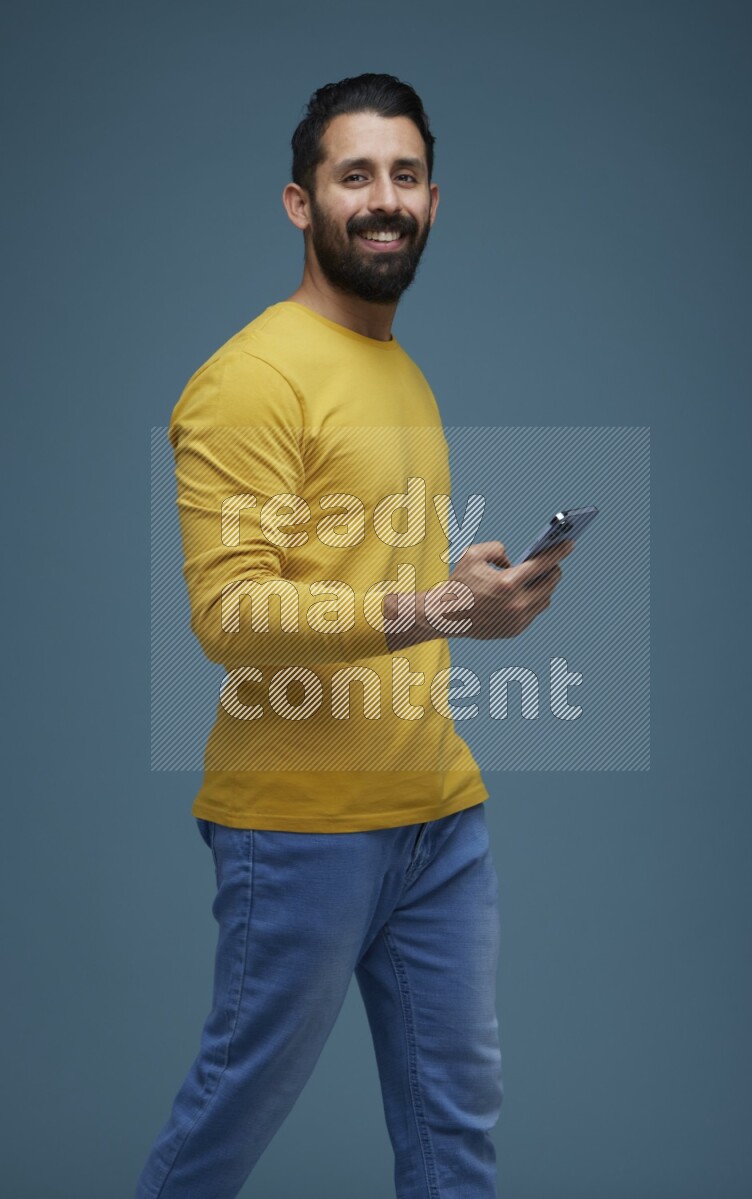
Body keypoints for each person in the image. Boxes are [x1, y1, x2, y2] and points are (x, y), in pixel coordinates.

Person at [136, 72, 573, 1199]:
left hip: (438, 818)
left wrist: (467, 592)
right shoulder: (249, 380)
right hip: (300, 828)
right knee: (228, 1117)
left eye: (405, 175)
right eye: (355, 175)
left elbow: (364, 583)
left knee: (454, 1140)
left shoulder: (400, 371)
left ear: (432, 201)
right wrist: (434, 608)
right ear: (302, 202)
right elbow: (231, 613)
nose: (384, 199)